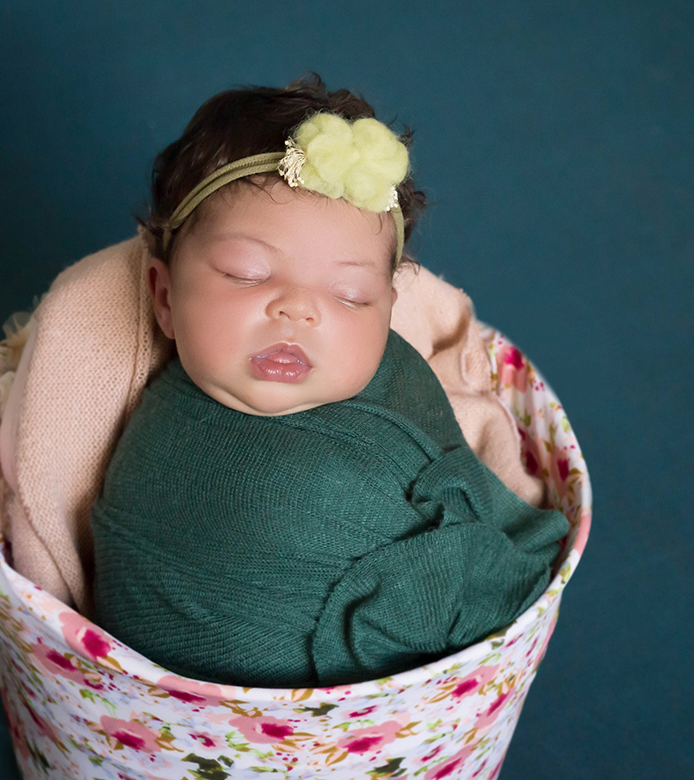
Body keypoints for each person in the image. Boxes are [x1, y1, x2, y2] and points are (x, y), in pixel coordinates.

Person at [90, 75, 569, 689]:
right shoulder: (173, 441)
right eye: (246, 273)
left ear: (389, 308)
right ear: (162, 296)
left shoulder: (393, 378)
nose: (299, 310)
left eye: (350, 296)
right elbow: (492, 579)